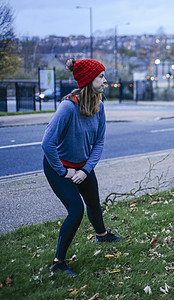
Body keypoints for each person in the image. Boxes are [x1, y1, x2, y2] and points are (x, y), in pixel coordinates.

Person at [42, 58, 121, 277]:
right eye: (101, 77)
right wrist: (63, 171)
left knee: (93, 202)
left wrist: (85, 170)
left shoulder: (99, 106)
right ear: (88, 80)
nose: (105, 80)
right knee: (76, 210)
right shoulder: (68, 108)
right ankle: (58, 262)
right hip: (57, 166)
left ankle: (102, 235)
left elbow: (99, 143)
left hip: (82, 166)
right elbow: (47, 144)